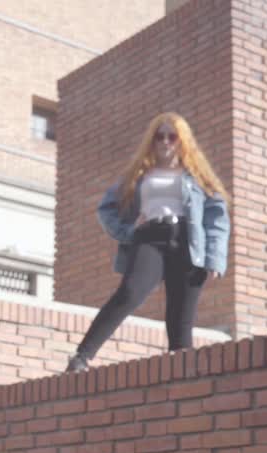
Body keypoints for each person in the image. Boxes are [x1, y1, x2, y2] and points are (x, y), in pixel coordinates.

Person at [66, 112, 231, 372]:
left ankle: (181, 377)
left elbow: (217, 217)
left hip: (188, 243)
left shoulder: (197, 177)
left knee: (181, 317)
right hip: (150, 237)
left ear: (182, 141)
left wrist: (215, 258)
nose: (165, 142)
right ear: (152, 140)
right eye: (159, 136)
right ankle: (81, 357)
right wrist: (128, 231)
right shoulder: (139, 175)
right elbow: (105, 209)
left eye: (172, 136)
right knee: (130, 291)